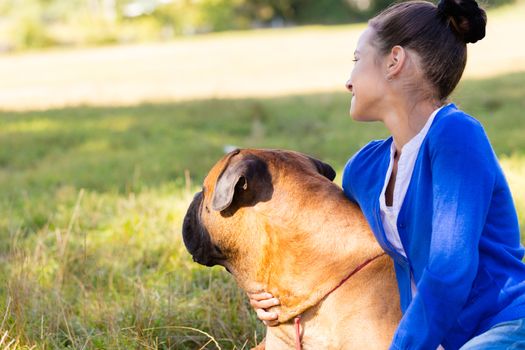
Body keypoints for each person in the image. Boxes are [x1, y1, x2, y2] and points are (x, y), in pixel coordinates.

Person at [247, 0, 525, 348]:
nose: (348, 81)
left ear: (394, 60)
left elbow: (449, 272)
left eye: (357, 59)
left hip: (505, 326)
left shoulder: (456, 136)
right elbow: (331, 235)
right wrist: (278, 290)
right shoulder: (365, 169)